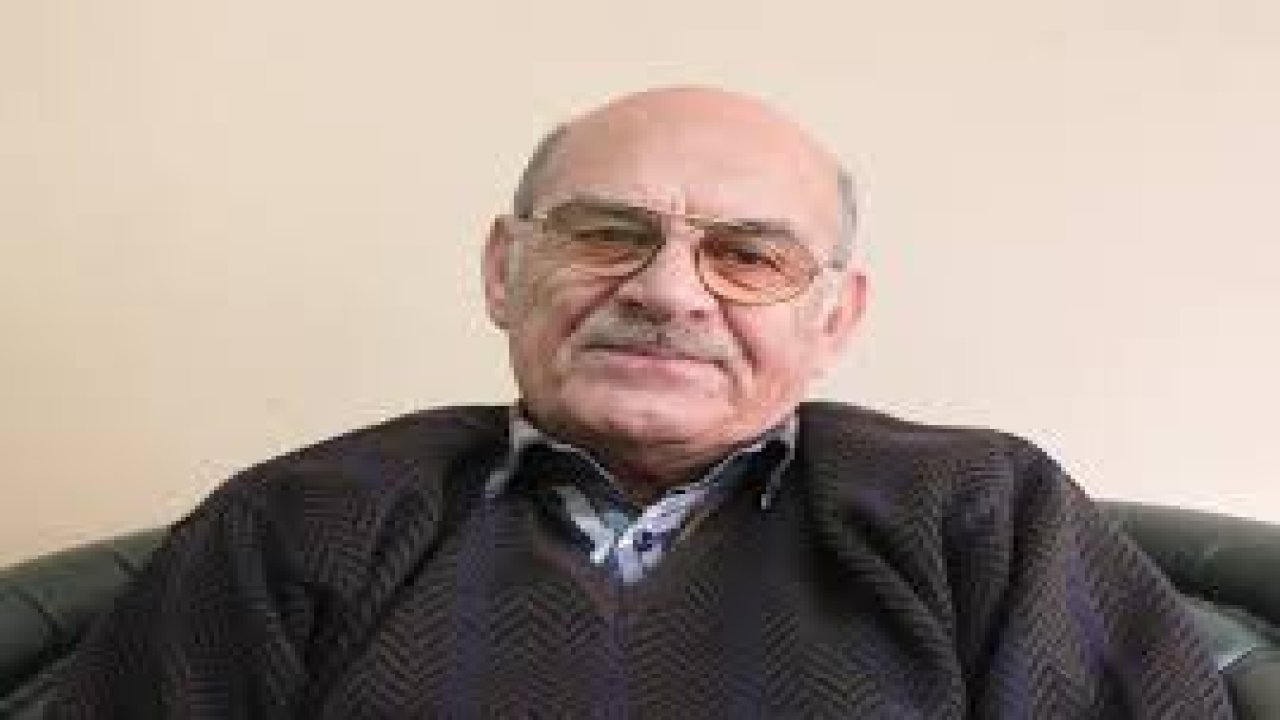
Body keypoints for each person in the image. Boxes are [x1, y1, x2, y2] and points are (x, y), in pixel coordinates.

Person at [51, 87, 1231, 718]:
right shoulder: (301, 519)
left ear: (833, 318)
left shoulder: (980, 511)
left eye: (747, 256)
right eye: (604, 233)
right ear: (502, 271)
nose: (667, 292)